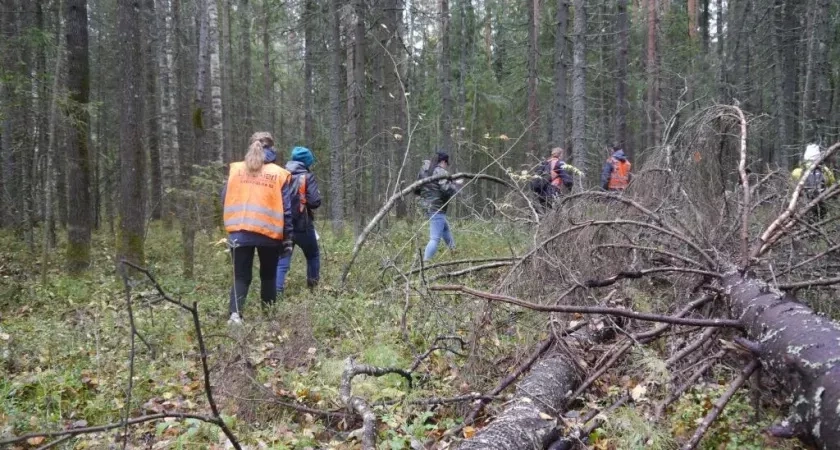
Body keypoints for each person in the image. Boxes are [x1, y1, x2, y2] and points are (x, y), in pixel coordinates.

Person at [221, 132, 293, 325]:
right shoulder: (279, 173)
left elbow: (224, 198)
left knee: (240, 276)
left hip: (239, 231)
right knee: (268, 276)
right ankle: (269, 319)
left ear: (250, 146)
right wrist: (287, 238)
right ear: (272, 148)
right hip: (269, 234)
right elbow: (287, 210)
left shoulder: (236, 170)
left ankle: (235, 317)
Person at [276, 146, 322, 293]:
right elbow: (315, 202)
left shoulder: (281, 175)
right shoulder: (307, 177)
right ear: (307, 162)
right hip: (303, 225)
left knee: (282, 260)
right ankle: (313, 289)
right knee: (313, 255)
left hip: (283, 225)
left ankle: (277, 293)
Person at [418, 151, 462, 261]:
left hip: (426, 206)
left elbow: (417, 188)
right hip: (437, 207)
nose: (446, 166)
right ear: (443, 161)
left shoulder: (424, 170)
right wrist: (456, 184)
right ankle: (426, 262)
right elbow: (445, 189)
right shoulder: (441, 172)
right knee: (435, 238)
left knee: (445, 229)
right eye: (446, 163)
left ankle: (454, 252)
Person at [791, 143, 835, 220]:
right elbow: (833, 186)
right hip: (821, 207)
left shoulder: (797, 172)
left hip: (803, 208)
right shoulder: (826, 171)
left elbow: (791, 188)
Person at [531, 147, 577, 211]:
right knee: (556, 212)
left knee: (546, 212)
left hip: (541, 193)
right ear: (560, 154)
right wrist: (571, 188)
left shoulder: (544, 163)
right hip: (552, 191)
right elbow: (567, 180)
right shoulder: (559, 163)